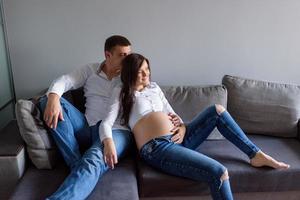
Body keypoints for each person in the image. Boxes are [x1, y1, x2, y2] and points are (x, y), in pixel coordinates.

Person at [100, 53, 290, 200]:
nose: (146, 74)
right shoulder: (122, 92)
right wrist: (108, 142)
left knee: (217, 110)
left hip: (179, 138)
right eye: (140, 71)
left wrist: (182, 127)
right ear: (130, 73)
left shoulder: (155, 88)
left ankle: (255, 154)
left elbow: (172, 113)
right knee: (219, 173)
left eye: (147, 69)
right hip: (158, 148)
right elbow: (106, 123)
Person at [38, 35, 134, 200]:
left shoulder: (131, 76)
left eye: (129, 55)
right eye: (122, 55)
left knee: (93, 160)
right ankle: (76, 163)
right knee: (47, 99)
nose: (127, 59)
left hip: (116, 131)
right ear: (108, 55)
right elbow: (66, 80)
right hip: (87, 127)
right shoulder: (91, 70)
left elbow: (150, 98)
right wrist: (53, 98)